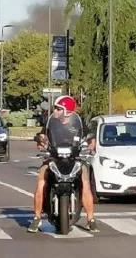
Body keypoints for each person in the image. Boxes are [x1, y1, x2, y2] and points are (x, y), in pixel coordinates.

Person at [28, 95, 96, 233]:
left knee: (85, 180)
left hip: (74, 158)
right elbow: (42, 137)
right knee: (41, 181)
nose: (56, 111)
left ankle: (91, 219)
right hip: (53, 158)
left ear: (67, 110)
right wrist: (40, 141)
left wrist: (91, 144)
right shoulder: (51, 122)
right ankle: (37, 218)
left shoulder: (79, 123)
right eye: (56, 109)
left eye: (59, 109)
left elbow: (90, 137)